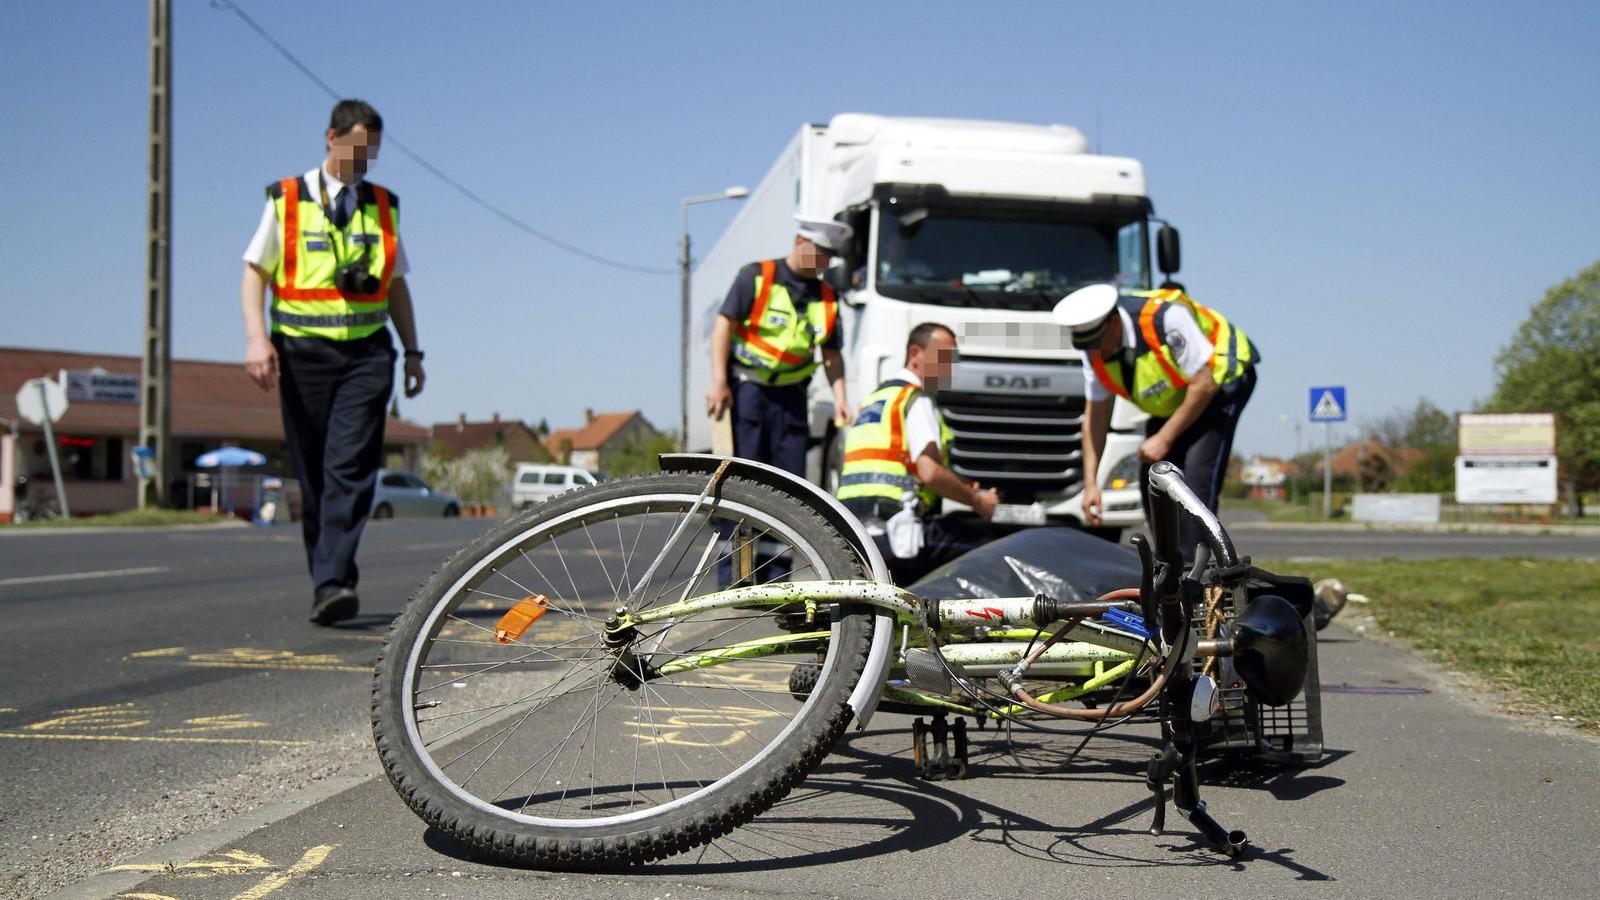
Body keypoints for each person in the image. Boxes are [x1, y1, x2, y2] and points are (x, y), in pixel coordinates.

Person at [239, 99, 425, 625]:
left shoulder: (383, 206)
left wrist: (413, 352)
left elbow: (396, 286)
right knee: (315, 475)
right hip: (302, 356)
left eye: (373, 153)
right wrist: (258, 339)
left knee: (350, 469)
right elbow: (254, 272)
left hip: (367, 354)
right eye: (358, 149)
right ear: (331, 137)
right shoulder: (288, 199)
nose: (365, 161)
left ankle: (334, 581)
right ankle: (327, 582)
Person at [1054, 283, 1259, 555]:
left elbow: (1204, 385)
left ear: (1114, 322)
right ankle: (1169, 565)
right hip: (1177, 398)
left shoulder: (1165, 319)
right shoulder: (1093, 348)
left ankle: (1197, 572)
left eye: (1096, 344)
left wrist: (1164, 438)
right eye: (1086, 346)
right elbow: (1096, 415)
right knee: (1153, 474)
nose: (1094, 353)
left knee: (1195, 479)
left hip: (1221, 383)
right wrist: (1091, 484)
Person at [836, 323, 1000, 584]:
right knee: (990, 548)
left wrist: (957, 484)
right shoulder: (916, 400)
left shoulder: (874, 401)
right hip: (897, 535)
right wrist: (978, 501)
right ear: (915, 354)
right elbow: (930, 472)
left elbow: (893, 464)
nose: (950, 368)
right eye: (944, 358)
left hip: (851, 532)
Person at [704, 216, 854, 477]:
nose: (824, 262)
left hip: (791, 397)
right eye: (819, 253)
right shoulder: (757, 277)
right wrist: (718, 381)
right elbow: (723, 327)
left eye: (828, 257)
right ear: (799, 241)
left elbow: (832, 355)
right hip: (747, 390)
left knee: (789, 480)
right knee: (742, 474)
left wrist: (841, 399)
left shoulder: (828, 297)